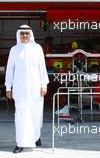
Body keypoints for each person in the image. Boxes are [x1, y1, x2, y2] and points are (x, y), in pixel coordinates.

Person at [5, 25, 49, 153]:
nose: (24, 36)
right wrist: (8, 87)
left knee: (36, 114)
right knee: (21, 115)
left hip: (36, 88)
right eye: (22, 33)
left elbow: (42, 67)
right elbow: (9, 70)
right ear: (19, 34)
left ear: (30, 34)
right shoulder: (14, 49)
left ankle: (36, 137)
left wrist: (44, 85)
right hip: (20, 89)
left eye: (27, 33)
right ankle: (21, 142)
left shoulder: (37, 48)